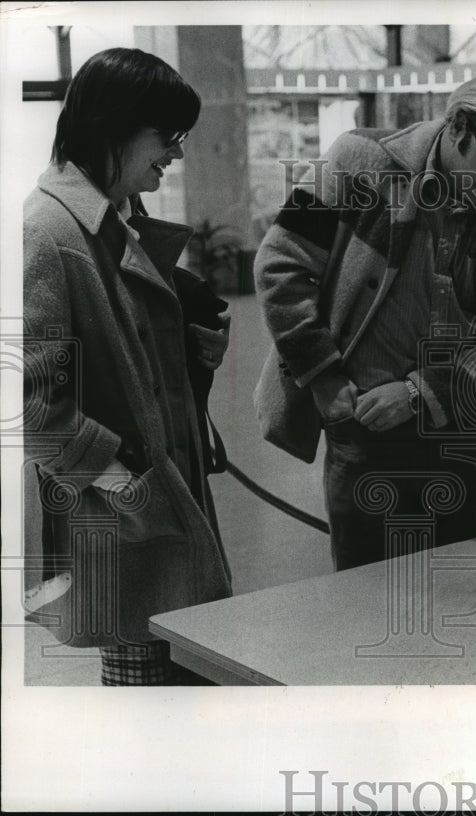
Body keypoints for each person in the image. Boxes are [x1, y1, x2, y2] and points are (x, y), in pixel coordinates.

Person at [255, 72, 476, 570]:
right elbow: (281, 264)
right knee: (364, 594)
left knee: (456, 592)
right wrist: (323, 374)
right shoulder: (360, 161)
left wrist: (419, 393)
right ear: (458, 126)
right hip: (363, 432)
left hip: (462, 433)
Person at [22, 48, 233, 685]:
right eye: (166, 137)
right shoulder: (48, 232)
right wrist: (121, 480)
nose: (175, 154)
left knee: (177, 670)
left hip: (161, 496)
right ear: (116, 127)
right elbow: (28, 400)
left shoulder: (112, 221)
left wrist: (192, 353)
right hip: (130, 513)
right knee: (150, 684)